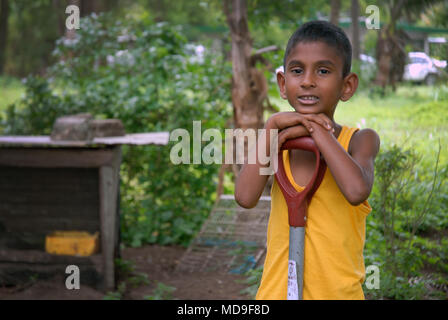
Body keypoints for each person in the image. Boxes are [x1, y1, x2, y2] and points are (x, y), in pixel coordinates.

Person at [234, 20, 380, 300]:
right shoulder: (278, 142)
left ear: (347, 86)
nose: (308, 80)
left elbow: (356, 190)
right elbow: (244, 196)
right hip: (277, 293)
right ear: (283, 83)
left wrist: (315, 128)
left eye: (323, 71)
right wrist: (272, 124)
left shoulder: (360, 141)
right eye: (297, 70)